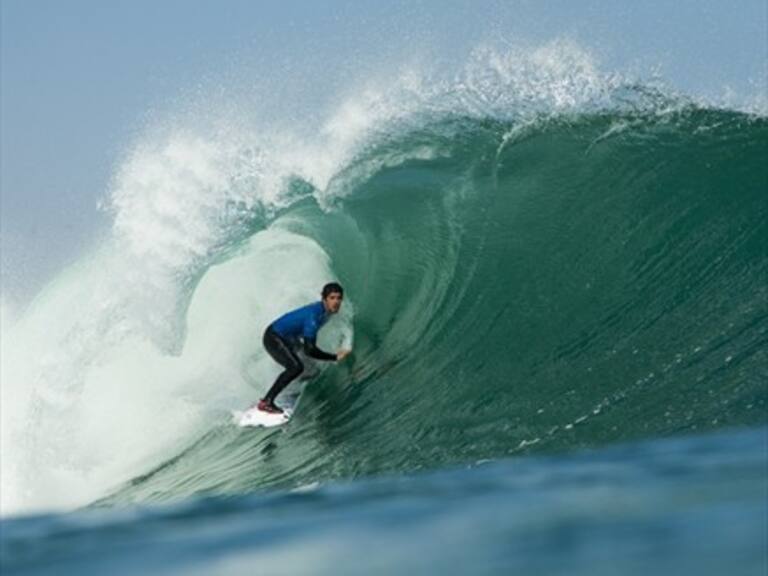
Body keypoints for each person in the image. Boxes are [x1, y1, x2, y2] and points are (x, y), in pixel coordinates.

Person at [256, 282, 351, 414]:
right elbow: (310, 350)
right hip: (274, 337)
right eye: (332, 298)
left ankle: (293, 389)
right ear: (324, 299)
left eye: (339, 298)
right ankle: (266, 401)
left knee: (312, 370)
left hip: (289, 338)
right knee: (295, 367)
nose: (336, 302)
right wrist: (334, 357)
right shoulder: (314, 317)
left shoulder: (325, 311)